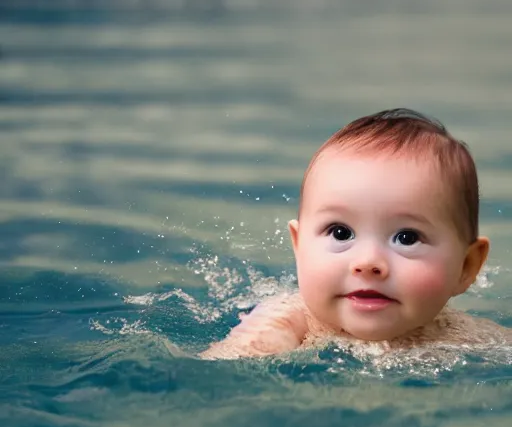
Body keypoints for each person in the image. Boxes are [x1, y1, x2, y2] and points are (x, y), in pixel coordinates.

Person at [201, 108, 510, 360]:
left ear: (466, 266)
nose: (367, 262)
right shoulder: (286, 322)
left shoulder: (467, 338)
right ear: (299, 247)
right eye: (340, 232)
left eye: (406, 238)